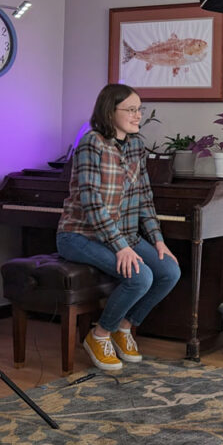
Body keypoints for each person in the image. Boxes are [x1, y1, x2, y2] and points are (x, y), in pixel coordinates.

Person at [56, 84, 181, 371]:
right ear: (110, 111)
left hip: (123, 234)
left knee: (169, 272)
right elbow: (91, 203)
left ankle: (124, 327)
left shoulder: (137, 145)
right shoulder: (91, 143)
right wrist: (121, 247)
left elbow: (144, 198)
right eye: (132, 110)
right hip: (79, 235)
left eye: (140, 109)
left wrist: (158, 240)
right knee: (140, 278)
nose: (138, 116)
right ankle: (99, 335)